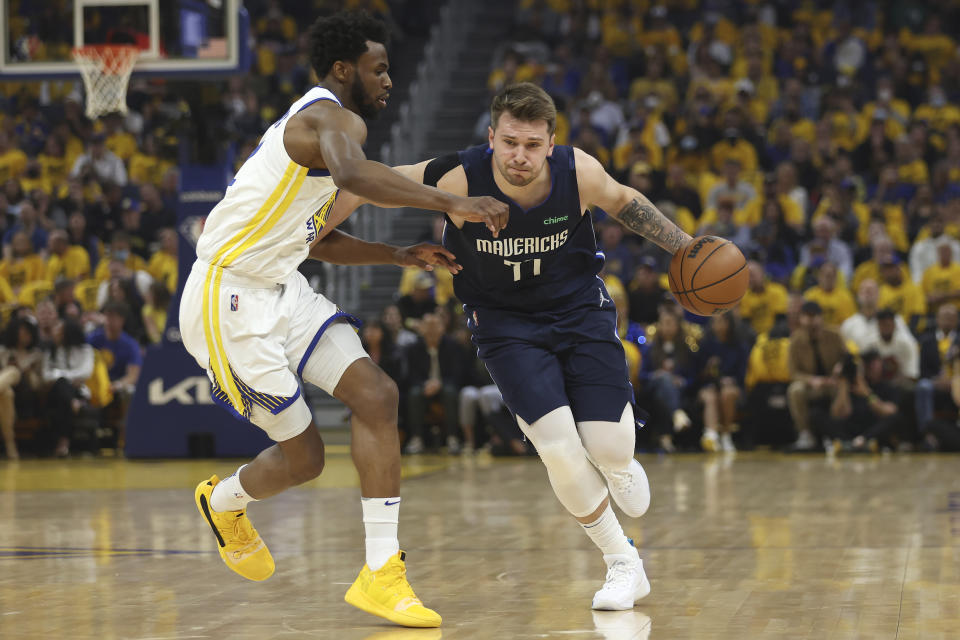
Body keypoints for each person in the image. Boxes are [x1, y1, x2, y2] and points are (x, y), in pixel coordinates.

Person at [178, 10, 507, 629]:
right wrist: (454, 201)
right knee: (305, 459)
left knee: (377, 395)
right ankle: (223, 501)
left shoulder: (329, 134)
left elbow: (316, 240)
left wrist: (395, 254)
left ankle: (382, 573)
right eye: (379, 68)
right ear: (342, 69)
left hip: (280, 284)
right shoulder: (331, 117)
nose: (388, 80)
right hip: (227, 299)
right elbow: (357, 177)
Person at [334, 82, 691, 610]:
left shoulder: (578, 171)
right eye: (509, 142)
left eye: (531, 144)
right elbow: (371, 183)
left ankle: (617, 463)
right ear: (492, 137)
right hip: (505, 325)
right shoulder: (456, 175)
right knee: (555, 445)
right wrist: (310, 224)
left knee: (609, 446)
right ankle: (623, 563)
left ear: (550, 143)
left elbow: (625, 202)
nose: (519, 156)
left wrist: (688, 247)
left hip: (579, 312)